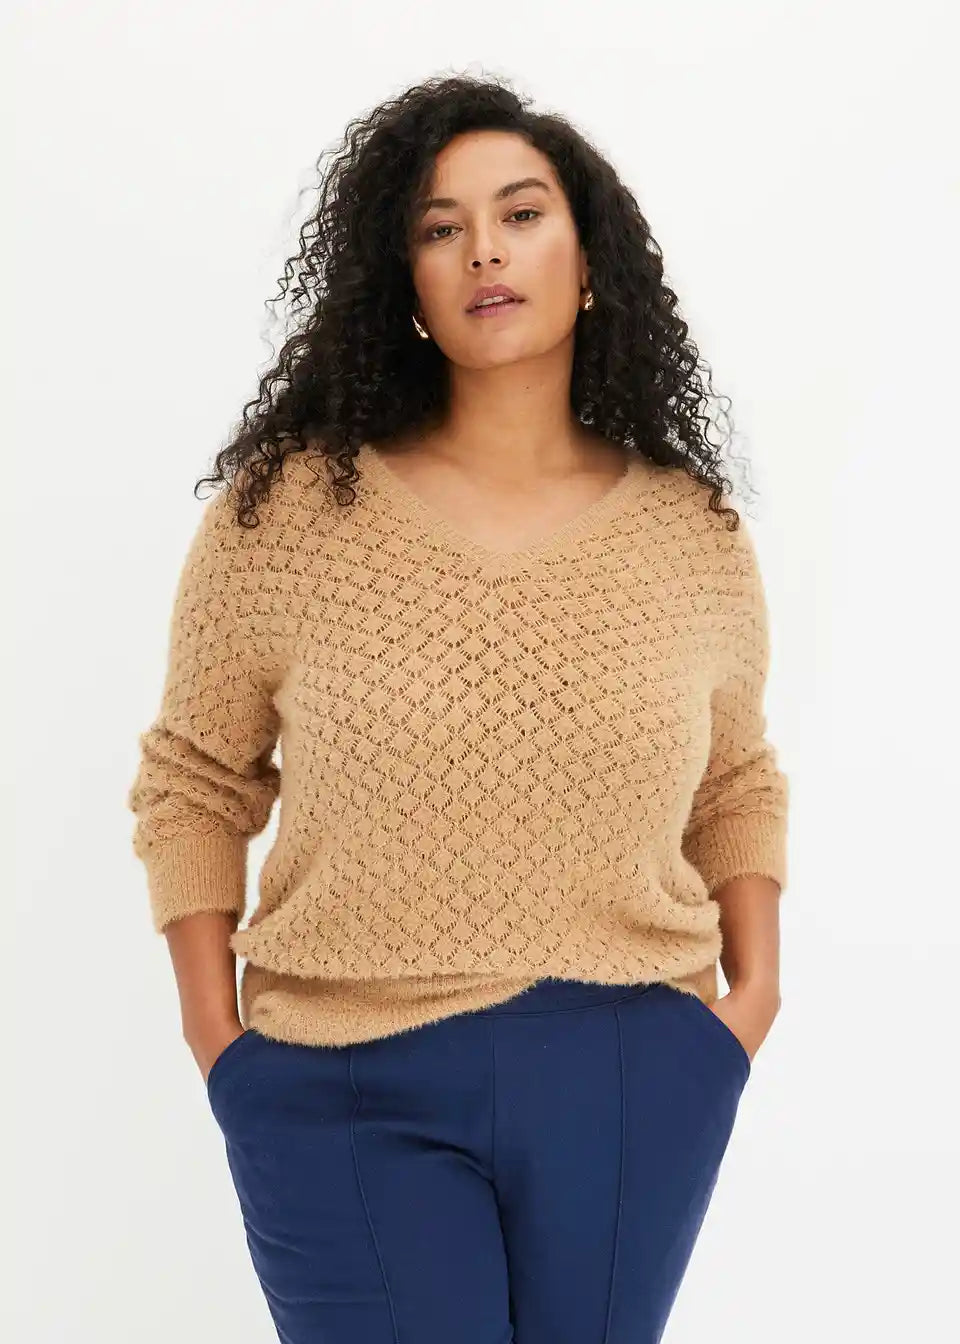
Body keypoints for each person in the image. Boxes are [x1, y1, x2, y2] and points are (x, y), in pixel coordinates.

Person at [127, 72, 789, 1344]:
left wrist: (748, 1002)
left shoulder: (692, 533)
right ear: (407, 282)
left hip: (632, 1067)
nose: (485, 248)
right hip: (340, 1079)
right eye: (441, 228)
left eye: (521, 213)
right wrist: (220, 1040)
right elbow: (196, 781)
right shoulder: (284, 517)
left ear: (590, 260)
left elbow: (735, 781)